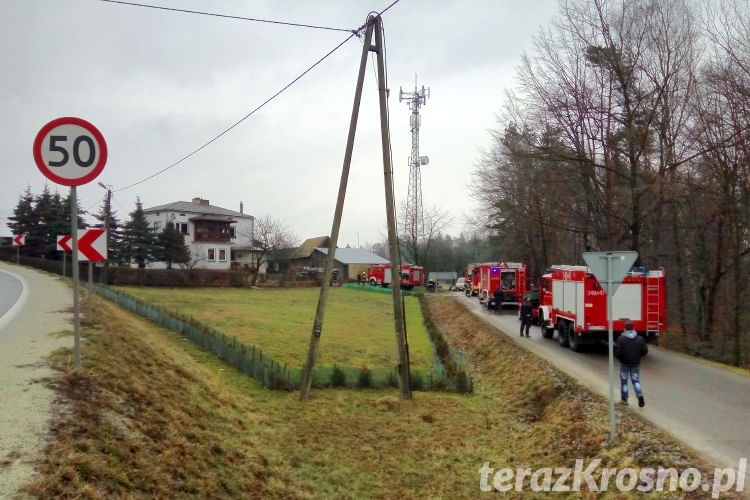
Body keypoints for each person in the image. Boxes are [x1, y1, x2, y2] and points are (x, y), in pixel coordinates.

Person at [614, 322, 648, 407]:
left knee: (624, 382)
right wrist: (639, 357)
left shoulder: (620, 339)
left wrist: (621, 359)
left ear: (624, 329)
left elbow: (617, 353)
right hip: (635, 364)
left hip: (624, 364)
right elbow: (645, 351)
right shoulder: (640, 339)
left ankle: (624, 400)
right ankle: (639, 395)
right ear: (633, 329)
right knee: (636, 381)